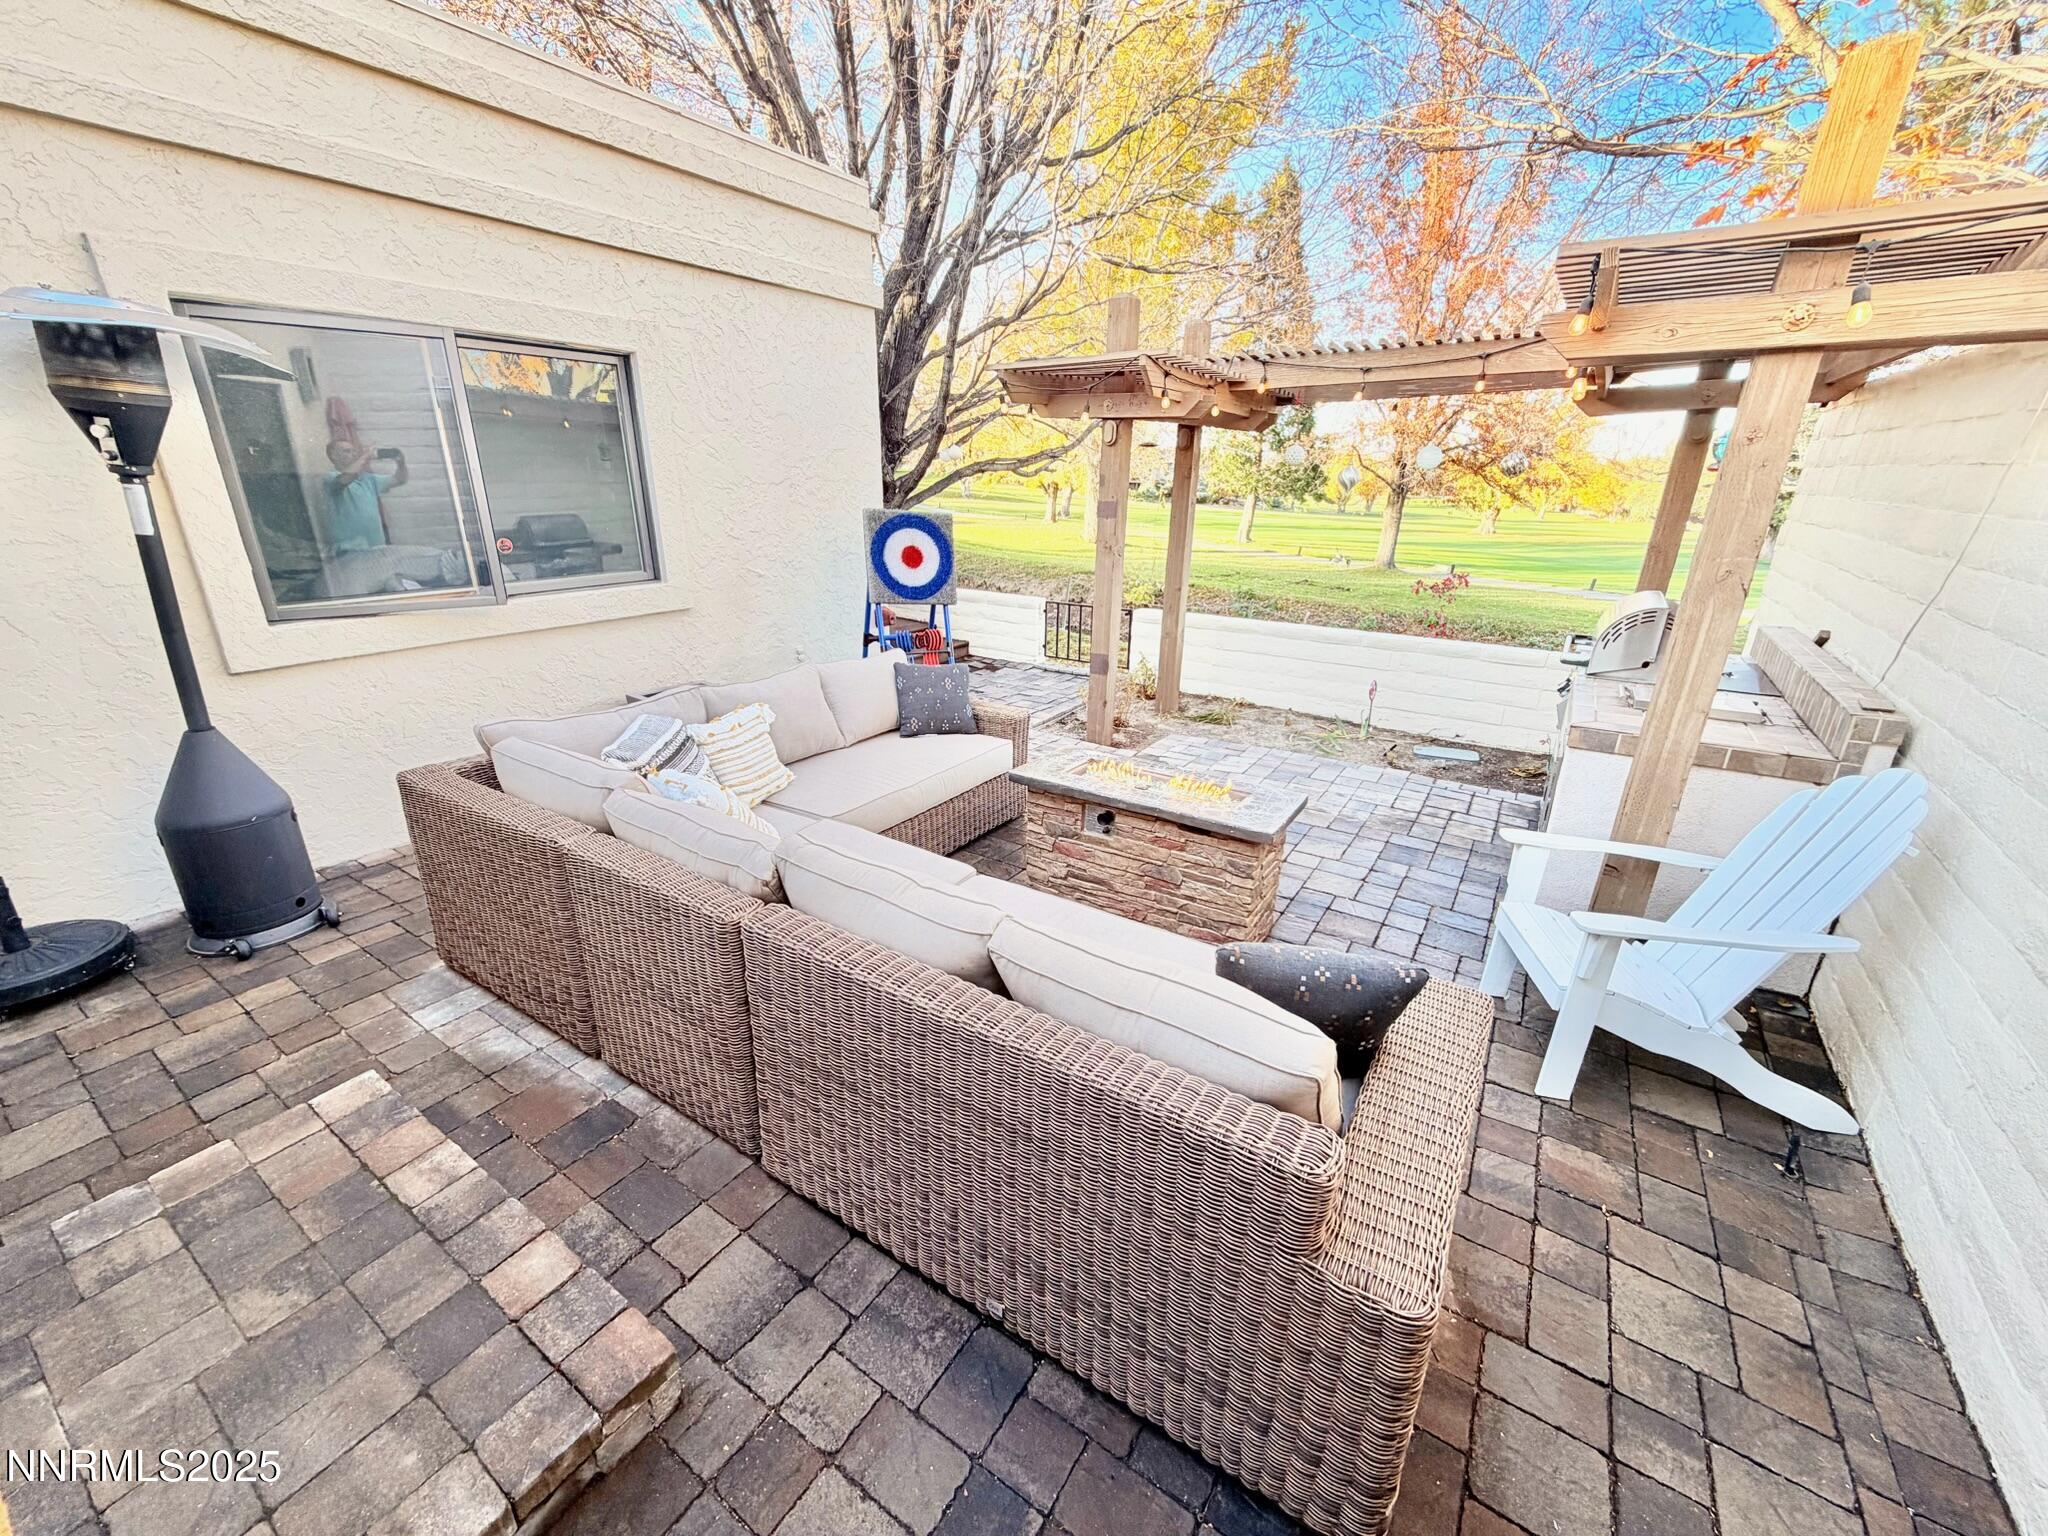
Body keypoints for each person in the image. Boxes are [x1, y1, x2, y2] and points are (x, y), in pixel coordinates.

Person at [321, 441, 406, 552]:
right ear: (333, 455)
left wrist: (401, 463)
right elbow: (345, 479)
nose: (353, 454)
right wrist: (365, 456)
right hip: (349, 551)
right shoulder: (330, 477)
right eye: (347, 451)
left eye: (354, 451)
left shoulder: (368, 479)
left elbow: (399, 480)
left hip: (376, 548)